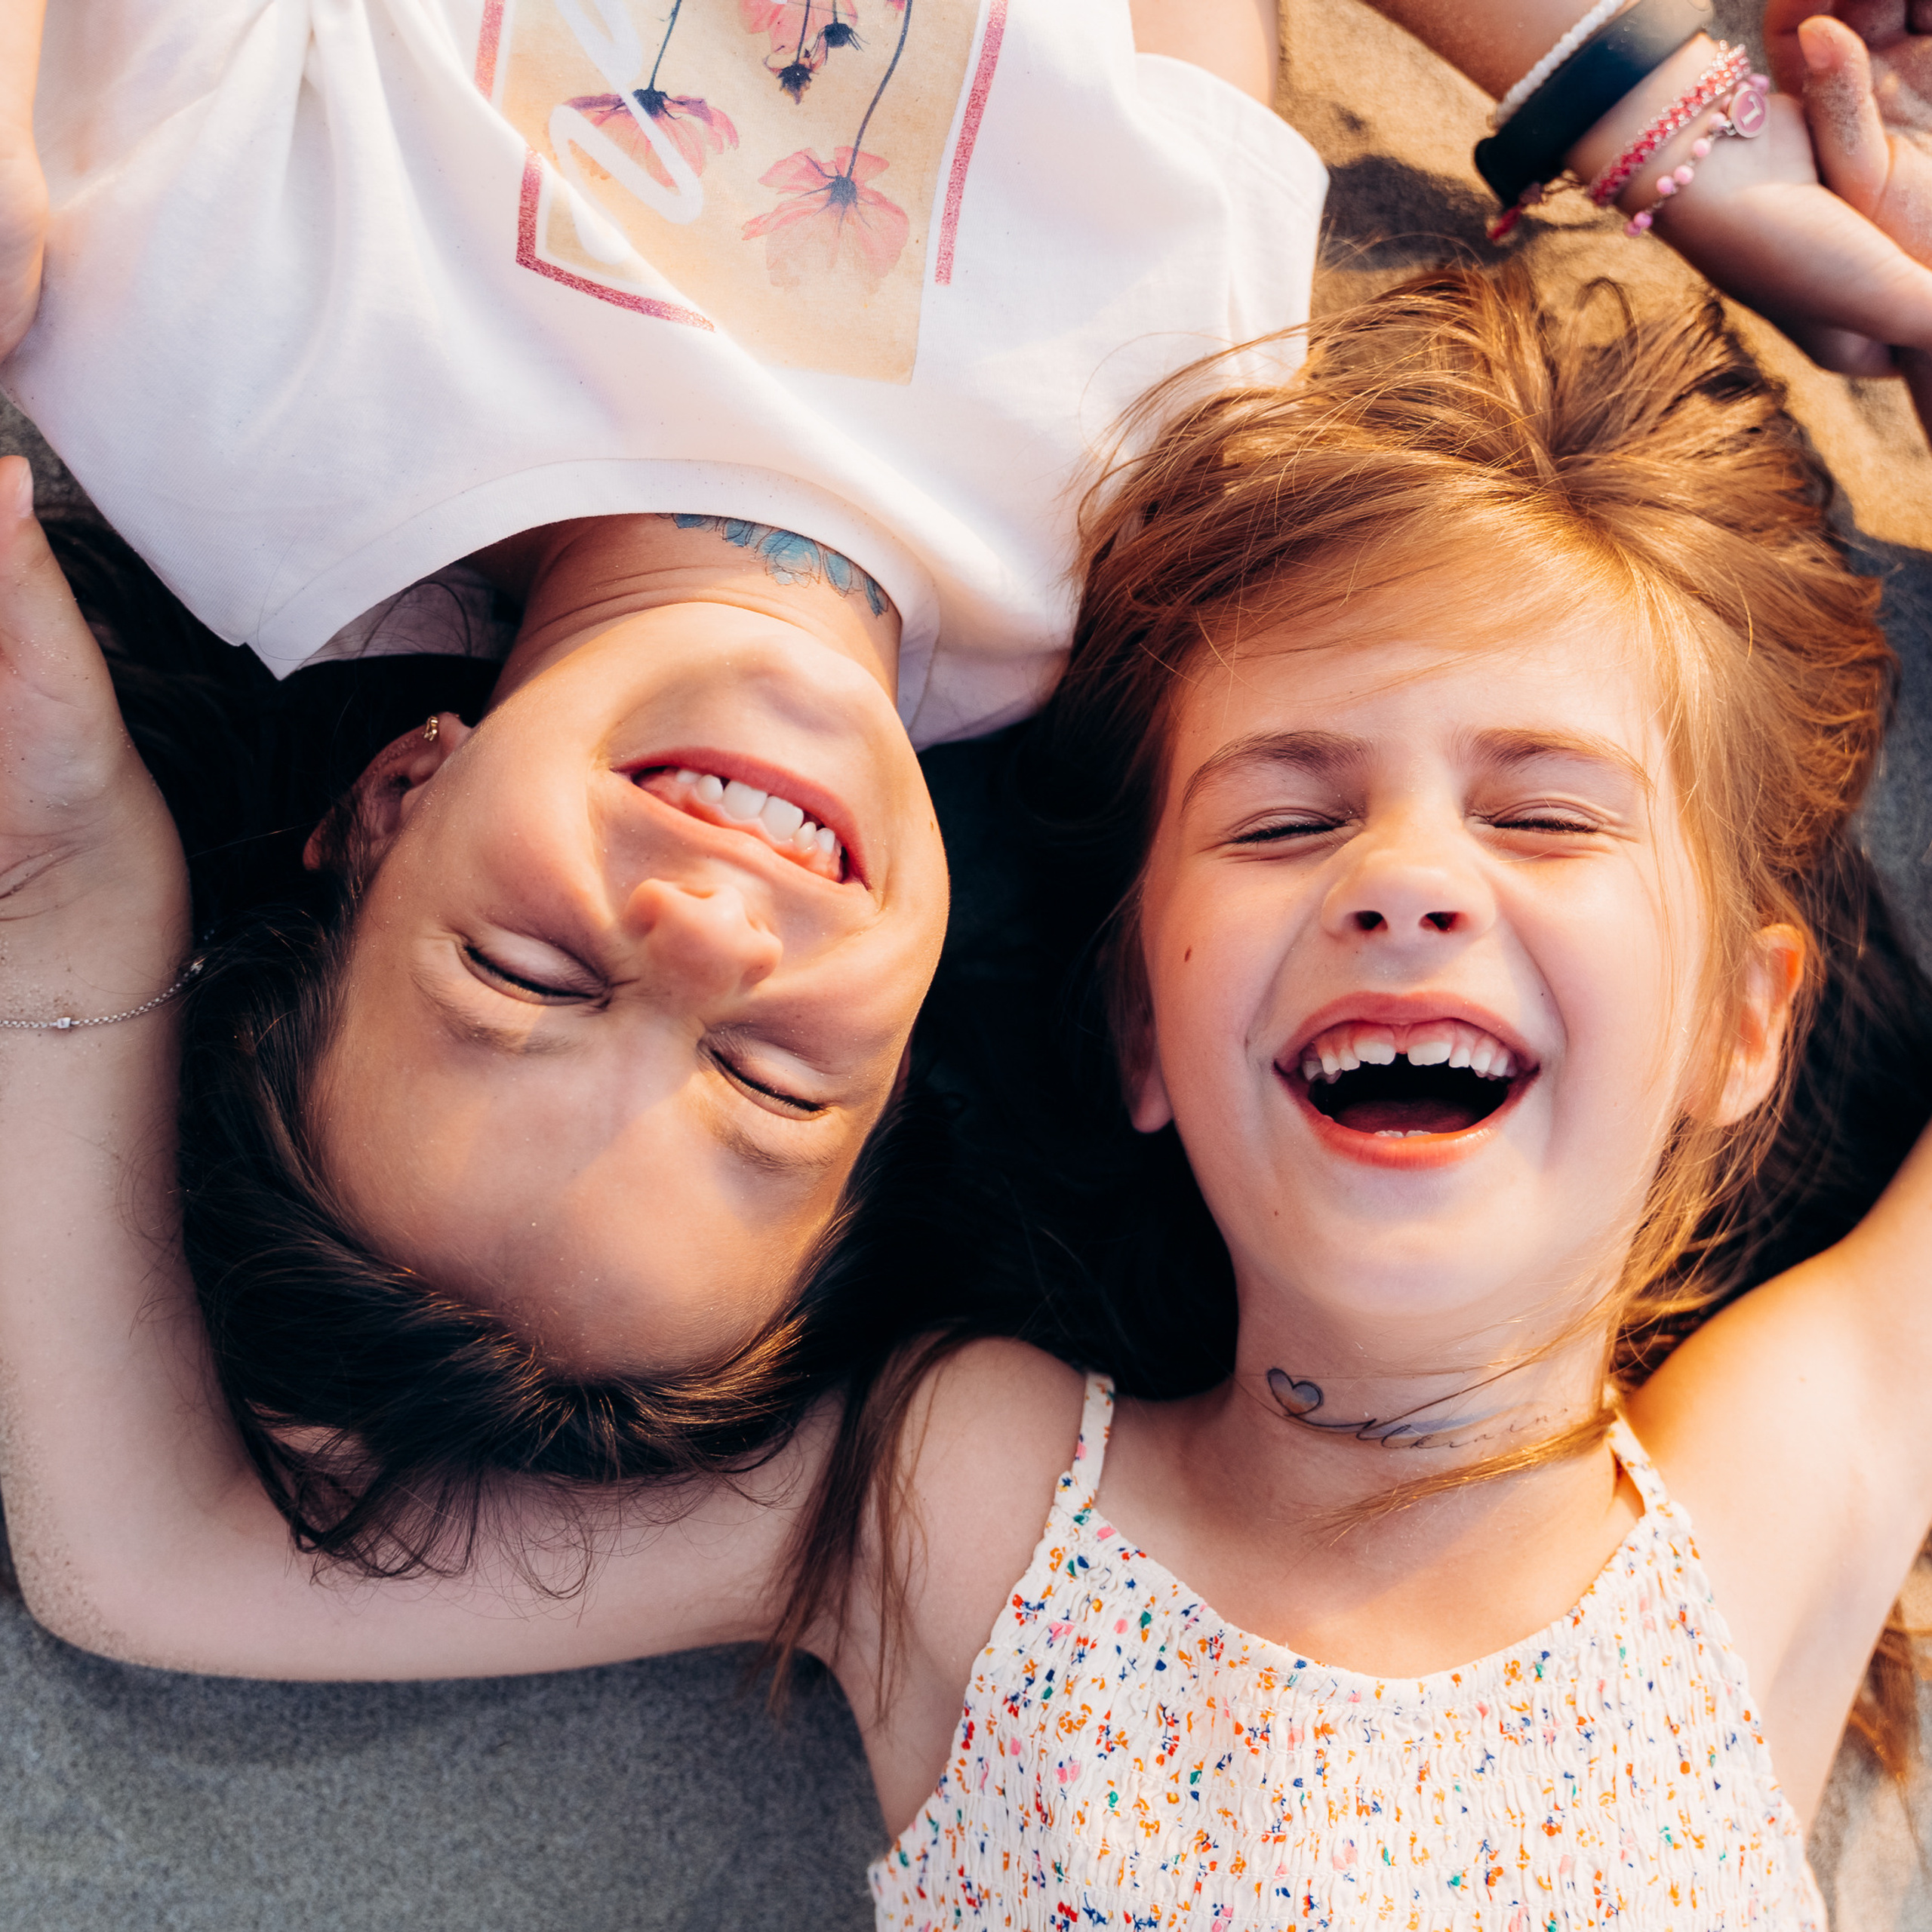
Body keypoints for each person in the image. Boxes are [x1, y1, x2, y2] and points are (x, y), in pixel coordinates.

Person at [8, 259, 1932, 1925]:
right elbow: (152, 1553)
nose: (1406, 878)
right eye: (1282, 820)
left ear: (1736, 1024)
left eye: (1544, 817)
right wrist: (71, 882)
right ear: (1139, 1034)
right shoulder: (975, 1504)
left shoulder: (1778, 1498)